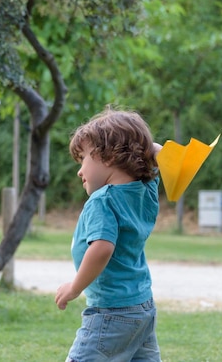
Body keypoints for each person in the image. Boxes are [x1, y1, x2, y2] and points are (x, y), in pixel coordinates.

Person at [55, 107, 163, 362]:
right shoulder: (145, 191)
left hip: (110, 311)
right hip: (142, 307)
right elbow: (158, 152)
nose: (80, 171)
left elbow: (102, 247)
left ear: (109, 157)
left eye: (84, 159)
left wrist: (74, 287)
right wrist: (144, 147)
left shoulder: (103, 200)